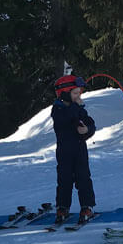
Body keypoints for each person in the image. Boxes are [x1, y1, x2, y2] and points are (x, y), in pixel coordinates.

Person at [51, 74, 97, 225]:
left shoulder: (78, 108)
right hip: (64, 150)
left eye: (79, 93)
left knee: (83, 177)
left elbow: (90, 122)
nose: (79, 96)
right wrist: (77, 106)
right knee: (64, 179)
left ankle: (87, 206)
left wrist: (87, 130)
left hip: (79, 149)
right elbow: (64, 119)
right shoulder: (58, 108)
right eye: (75, 93)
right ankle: (63, 207)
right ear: (64, 93)